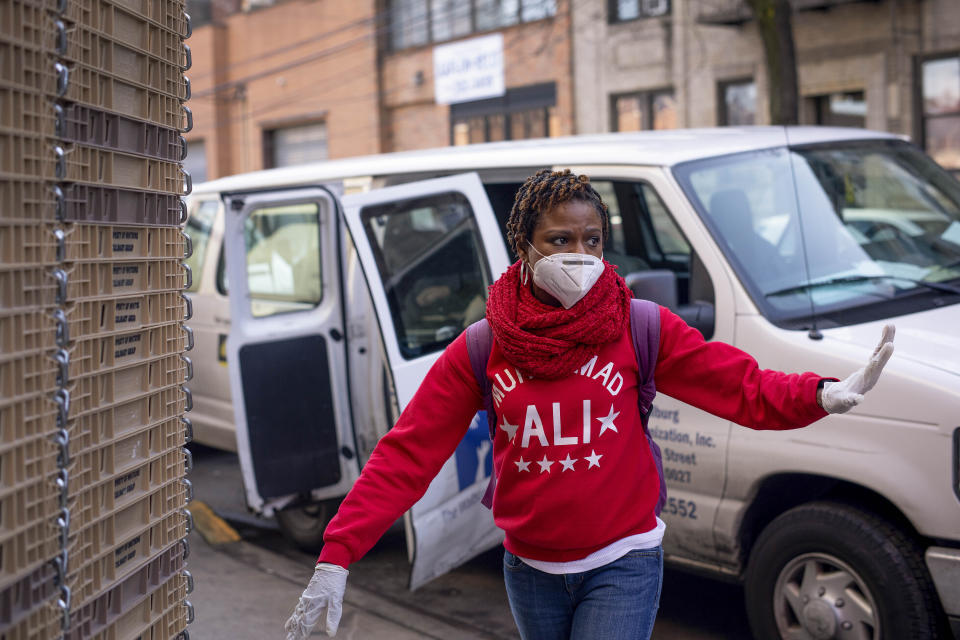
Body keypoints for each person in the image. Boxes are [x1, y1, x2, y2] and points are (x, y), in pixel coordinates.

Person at [284, 169, 895, 640]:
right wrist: (338, 553)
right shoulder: (484, 345)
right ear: (524, 244)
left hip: (623, 562)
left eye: (592, 238)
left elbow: (740, 386)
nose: (579, 253)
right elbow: (408, 452)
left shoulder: (639, 326)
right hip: (529, 570)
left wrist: (820, 394)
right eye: (560, 239)